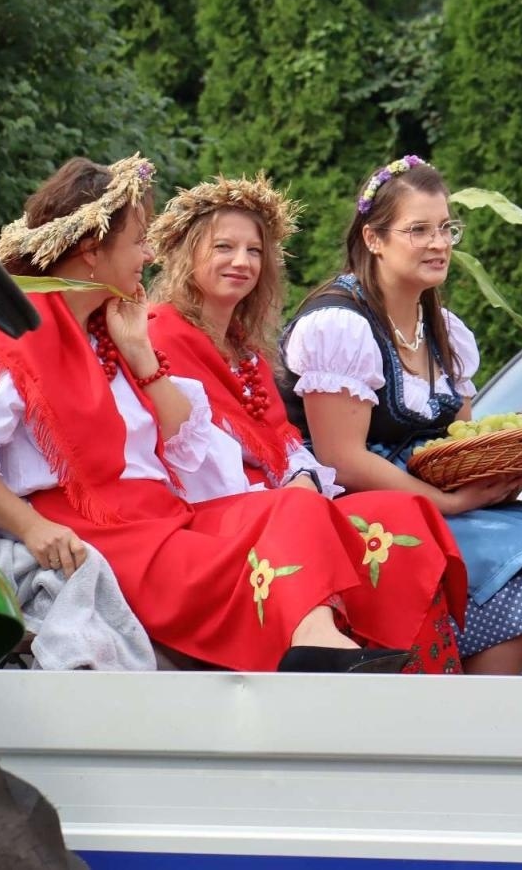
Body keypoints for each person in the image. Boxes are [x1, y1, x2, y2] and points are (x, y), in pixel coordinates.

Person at [0, 155, 423, 673]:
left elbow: (189, 449)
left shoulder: (112, 336)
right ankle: (322, 652)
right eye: (137, 242)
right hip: (105, 533)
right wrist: (32, 528)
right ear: (90, 251)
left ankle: (320, 642)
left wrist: (141, 356)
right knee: (283, 532)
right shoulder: (6, 337)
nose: (148, 255)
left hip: (163, 518)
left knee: (298, 508)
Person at [279, 156, 522, 676]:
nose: (439, 244)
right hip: (364, 502)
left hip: (436, 494)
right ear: (373, 239)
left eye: (445, 228)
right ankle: (481, 736)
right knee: (516, 555)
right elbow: (341, 460)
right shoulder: (337, 324)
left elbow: (460, 438)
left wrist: (501, 473)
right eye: (418, 230)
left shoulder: (445, 330)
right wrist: (447, 503)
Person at [146, 174, 467, 673]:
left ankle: (419, 671)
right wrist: (282, 490)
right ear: (187, 255)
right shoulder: (159, 334)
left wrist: (299, 474)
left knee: (399, 514)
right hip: (210, 506)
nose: (242, 262)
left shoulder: (245, 348)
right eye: (224, 247)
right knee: (304, 513)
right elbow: (187, 451)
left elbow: (280, 436)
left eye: (254, 251)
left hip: (270, 498)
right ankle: (334, 650)